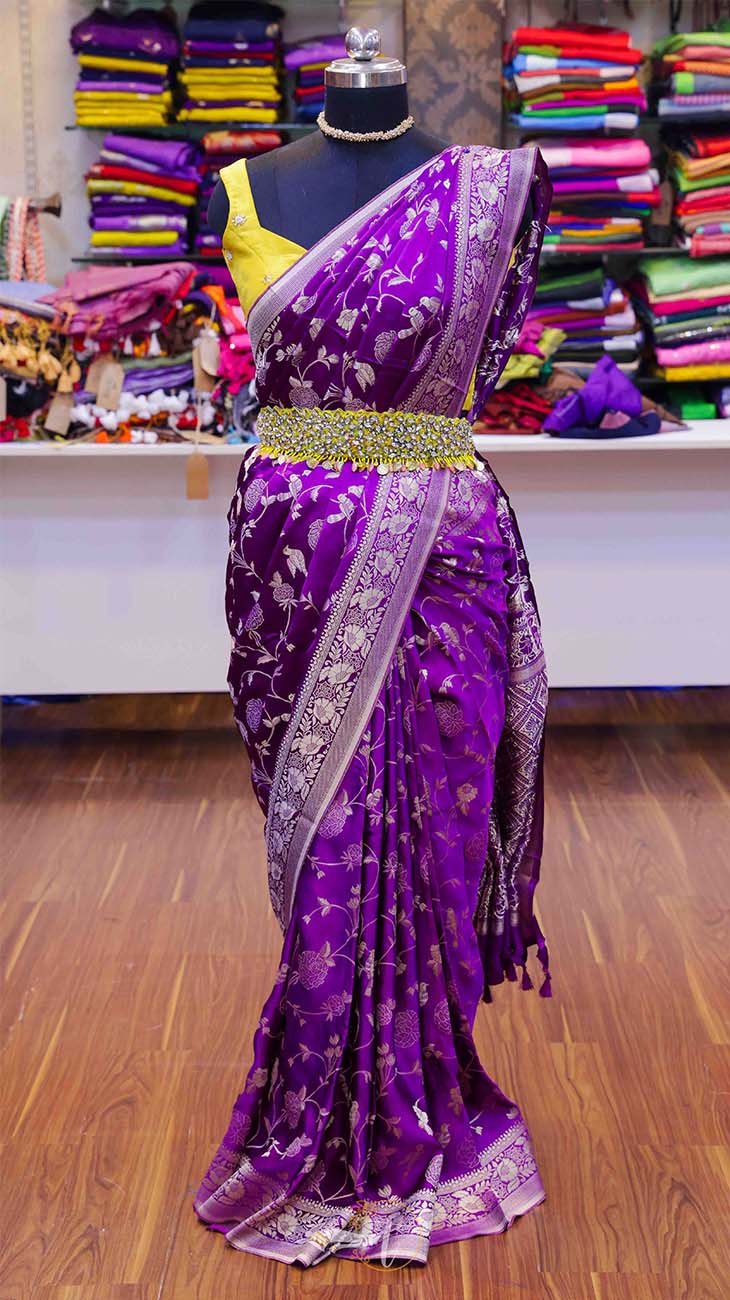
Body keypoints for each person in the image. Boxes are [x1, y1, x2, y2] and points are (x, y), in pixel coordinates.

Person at [193, 31, 553, 1269]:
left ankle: (426, 1088)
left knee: (439, 835)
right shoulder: (241, 186)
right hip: (293, 555)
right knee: (322, 835)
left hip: (442, 558)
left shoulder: (490, 187)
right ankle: (319, 1097)